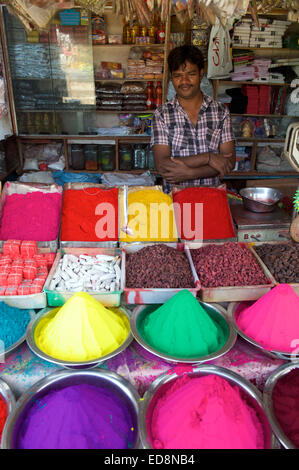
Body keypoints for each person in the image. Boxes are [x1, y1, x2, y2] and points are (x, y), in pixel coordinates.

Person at [151, 45, 236, 193]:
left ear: (201, 74)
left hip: (211, 197)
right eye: (178, 75)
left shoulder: (220, 111)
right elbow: (163, 165)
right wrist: (209, 158)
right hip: (175, 200)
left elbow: (228, 162)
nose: (184, 81)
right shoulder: (162, 114)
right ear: (171, 77)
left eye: (191, 74)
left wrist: (190, 173)